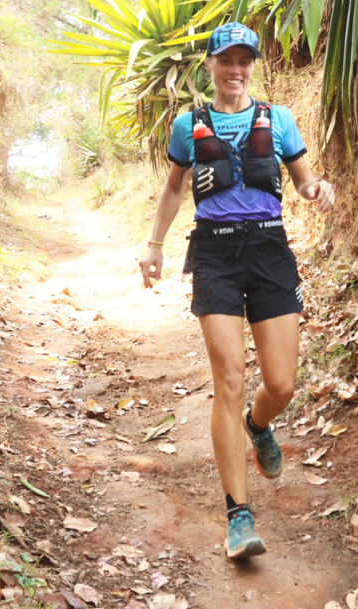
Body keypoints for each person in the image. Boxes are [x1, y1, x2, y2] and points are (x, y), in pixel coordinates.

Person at [137, 22, 336, 560]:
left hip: (271, 252)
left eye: (244, 60)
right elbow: (174, 188)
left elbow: (302, 180)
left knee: (282, 383)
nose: (236, 70)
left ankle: (258, 423)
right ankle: (238, 517)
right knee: (228, 379)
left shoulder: (279, 119)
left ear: (253, 66)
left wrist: (316, 189)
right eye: (226, 60)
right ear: (210, 66)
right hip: (217, 256)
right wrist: (155, 244)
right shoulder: (187, 127)